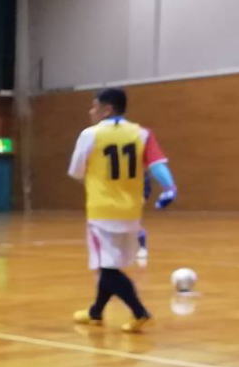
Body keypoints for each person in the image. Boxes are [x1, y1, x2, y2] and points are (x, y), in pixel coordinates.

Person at [69, 88, 177, 333]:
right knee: (109, 265)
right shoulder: (142, 134)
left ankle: (140, 312)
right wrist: (169, 188)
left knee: (106, 269)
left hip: (102, 211)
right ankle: (96, 312)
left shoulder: (90, 134)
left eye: (95, 107)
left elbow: (76, 171)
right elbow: (157, 164)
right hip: (131, 210)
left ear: (107, 109)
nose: (91, 111)